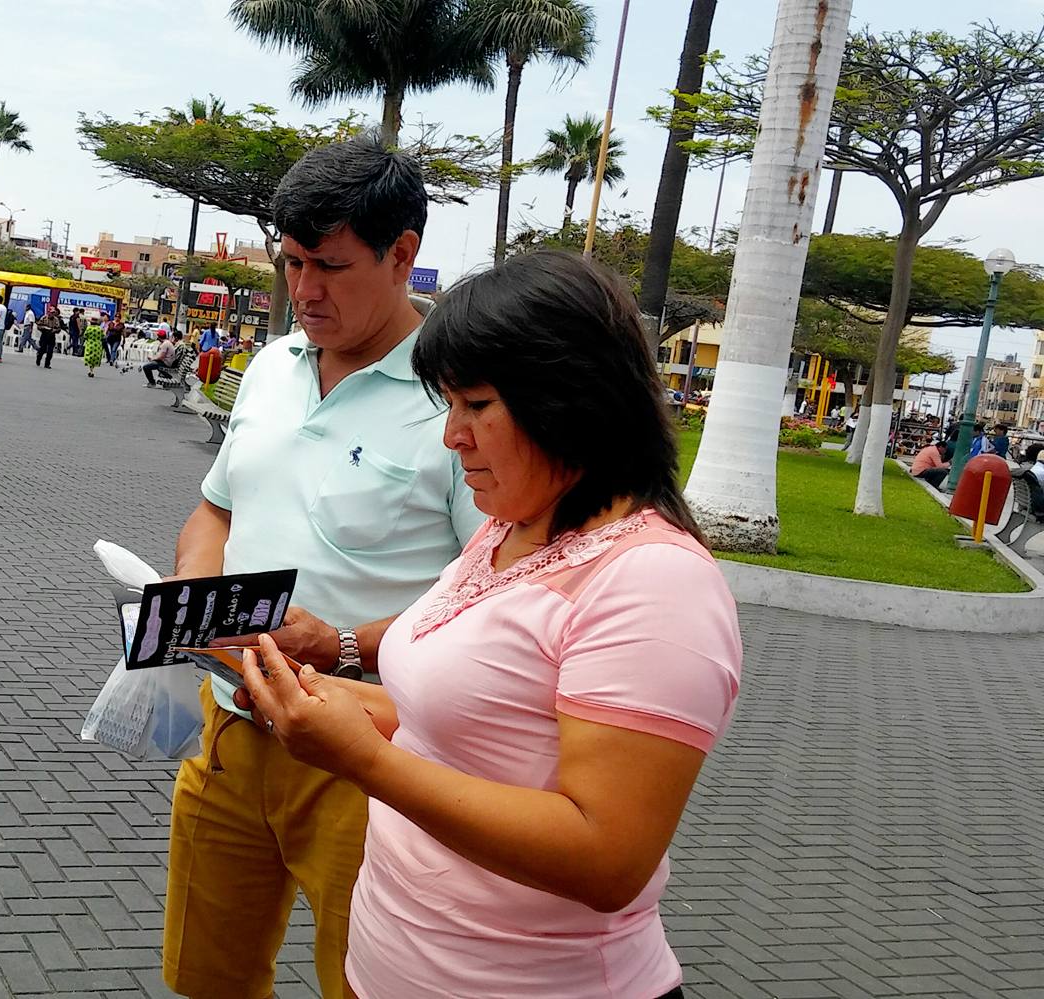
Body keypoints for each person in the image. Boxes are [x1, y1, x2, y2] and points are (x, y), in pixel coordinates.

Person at [236, 250, 742, 999]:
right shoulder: (508, 531)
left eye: (477, 406)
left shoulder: (654, 581)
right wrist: (321, 699)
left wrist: (364, 763)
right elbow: (466, 720)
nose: (453, 437)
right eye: (449, 405)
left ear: (571, 401)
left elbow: (607, 857)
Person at [161, 136, 484, 999]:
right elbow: (216, 507)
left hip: (369, 749)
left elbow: (493, 596)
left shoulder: (455, 401)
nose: (304, 290)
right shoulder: (271, 366)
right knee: (208, 973)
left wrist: (339, 643)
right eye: (292, 262)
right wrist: (194, 594)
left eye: (331, 266)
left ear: (403, 254)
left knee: (365, 981)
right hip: (231, 721)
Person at [35, 305, 61, 369]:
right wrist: (45, 328)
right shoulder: (44, 318)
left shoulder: (56, 319)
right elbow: (38, 326)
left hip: (52, 336)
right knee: (42, 350)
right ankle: (39, 358)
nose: (52, 314)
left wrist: (55, 330)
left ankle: (47, 364)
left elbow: (59, 328)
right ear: (48, 312)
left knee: (50, 351)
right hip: (44, 335)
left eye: (53, 313)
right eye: (51, 312)